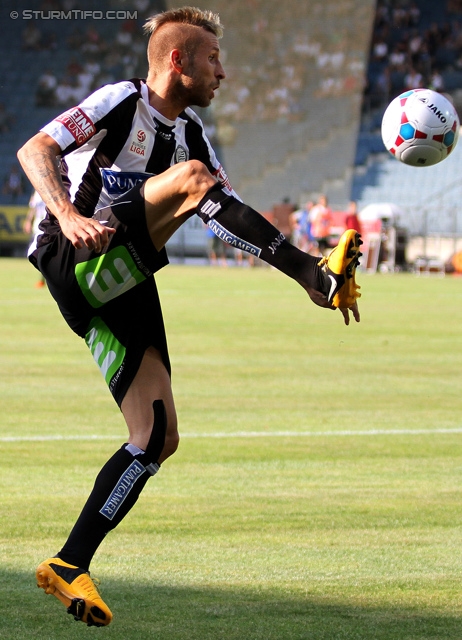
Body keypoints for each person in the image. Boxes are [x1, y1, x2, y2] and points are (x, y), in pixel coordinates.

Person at [17, 6, 361, 628]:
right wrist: (66, 215)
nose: (221, 72)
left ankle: (69, 564)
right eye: (213, 59)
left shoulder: (193, 136)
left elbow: (225, 210)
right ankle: (314, 273)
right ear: (178, 60)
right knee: (196, 180)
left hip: (122, 283)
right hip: (76, 253)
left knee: (157, 434)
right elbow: (35, 147)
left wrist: (301, 273)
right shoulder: (123, 100)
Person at [23, 190, 48, 287]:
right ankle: (43, 278)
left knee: (44, 253)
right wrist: (28, 221)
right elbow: (33, 208)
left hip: (48, 227)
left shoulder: (51, 189)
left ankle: (44, 278)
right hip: (37, 227)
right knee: (37, 254)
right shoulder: (36, 193)